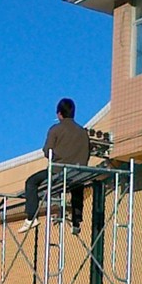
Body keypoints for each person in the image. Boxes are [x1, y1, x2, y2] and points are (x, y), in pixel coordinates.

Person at [19, 98, 90, 235]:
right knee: (77, 188)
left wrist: (56, 156)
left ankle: (31, 217)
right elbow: (87, 151)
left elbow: (47, 151)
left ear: (59, 114)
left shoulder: (56, 129)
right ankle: (76, 220)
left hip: (58, 170)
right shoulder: (83, 132)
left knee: (31, 182)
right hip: (78, 171)